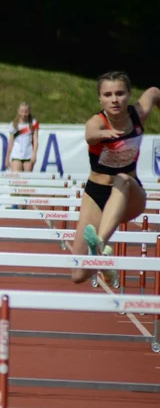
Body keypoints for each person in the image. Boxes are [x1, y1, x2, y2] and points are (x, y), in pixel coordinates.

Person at [70, 73, 159, 284]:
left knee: (122, 178)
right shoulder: (97, 121)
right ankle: (103, 261)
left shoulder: (139, 114)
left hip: (130, 194)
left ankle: (99, 243)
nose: (114, 99)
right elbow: (90, 134)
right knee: (78, 275)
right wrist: (102, 135)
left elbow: (154, 92)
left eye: (119, 93)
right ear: (100, 99)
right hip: (97, 194)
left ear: (129, 95)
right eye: (108, 95)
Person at [6, 102, 39, 172]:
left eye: (26, 112)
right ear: (18, 111)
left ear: (29, 112)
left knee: (26, 180)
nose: (24, 114)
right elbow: (11, 142)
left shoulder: (34, 123)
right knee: (16, 179)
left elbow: (35, 140)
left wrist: (34, 154)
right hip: (16, 154)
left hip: (28, 154)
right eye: (22, 112)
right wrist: (7, 158)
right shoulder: (13, 124)